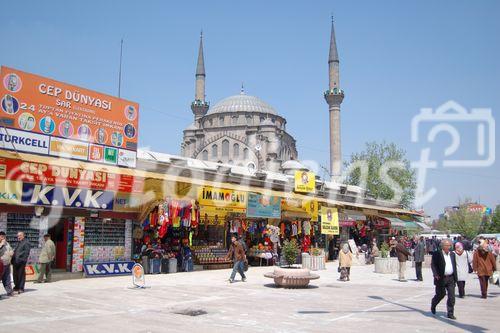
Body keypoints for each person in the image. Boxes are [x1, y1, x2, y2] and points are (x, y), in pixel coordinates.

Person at [431, 239, 458, 320]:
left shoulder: (452, 254)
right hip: (441, 278)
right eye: (446, 245)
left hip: (451, 278)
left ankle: (450, 313)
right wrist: (435, 274)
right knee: (441, 294)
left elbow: (454, 265)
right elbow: (433, 265)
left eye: (449, 245)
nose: (448, 247)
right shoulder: (437, 254)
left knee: (451, 296)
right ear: (442, 246)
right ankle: (434, 303)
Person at [0, 231, 14, 297]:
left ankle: (9, 292)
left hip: (7, 263)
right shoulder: (2, 244)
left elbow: (10, 249)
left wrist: (11, 252)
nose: (3, 238)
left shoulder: (7, 243)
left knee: (7, 278)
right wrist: (1, 244)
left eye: (4, 236)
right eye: (2, 237)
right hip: (1, 264)